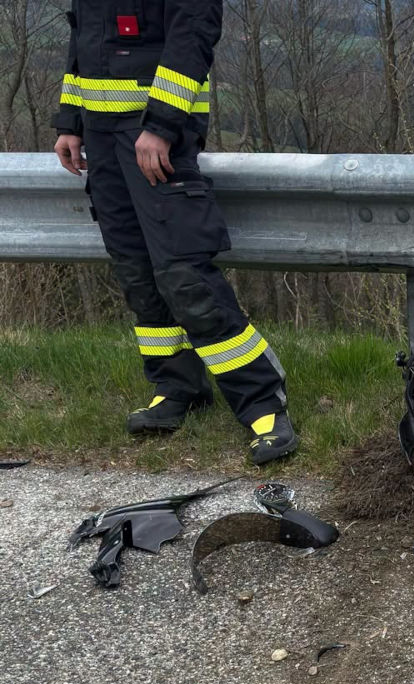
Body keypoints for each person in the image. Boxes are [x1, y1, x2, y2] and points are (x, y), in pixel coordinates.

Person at [51, 1, 296, 465]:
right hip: (102, 141)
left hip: (155, 139)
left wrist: (161, 126)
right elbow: (81, 39)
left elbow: (194, 35)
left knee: (186, 278)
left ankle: (263, 404)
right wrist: (70, 121)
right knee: (139, 277)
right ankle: (177, 387)